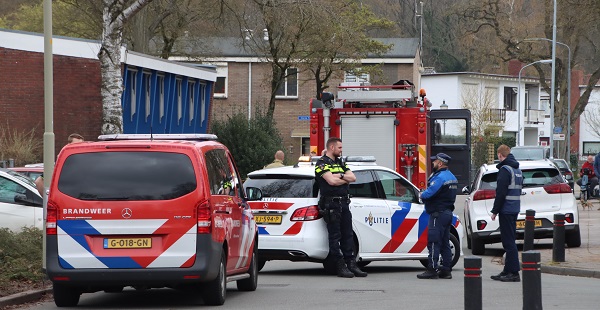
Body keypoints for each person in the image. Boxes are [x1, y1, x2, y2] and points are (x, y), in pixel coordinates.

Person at [315, 137, 366, 278]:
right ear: (332, 147)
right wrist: (343, 180)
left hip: (344, 203)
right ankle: (339, 266)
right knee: (335, 236)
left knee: (348, 235)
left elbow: (353, 178)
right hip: (331, 204)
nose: (341, 150)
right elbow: (331, 181)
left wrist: (340, 176)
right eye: (340, 148)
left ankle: (351, 264)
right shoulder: (321, 163)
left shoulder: (340, 162)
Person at [417, 153, 458, 280]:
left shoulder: (440, 178)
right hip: (447, 213)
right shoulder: (452, 177)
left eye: (434, 161)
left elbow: (428, 194)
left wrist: (421, 194)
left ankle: (432, 269)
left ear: (440, 163)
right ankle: (446, 270)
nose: (433, 163)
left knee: (434, 241)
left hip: (437, 214)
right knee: (445, 242)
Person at [490, 145, 523, 282]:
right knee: (509, 240)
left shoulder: (505, 170)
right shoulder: (517, 170)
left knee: (508, 242)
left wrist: (495, 211)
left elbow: (501, 193)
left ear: (499, 155)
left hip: (506, 209)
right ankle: (507, 270)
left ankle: (513, 272)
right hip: (514, 208)